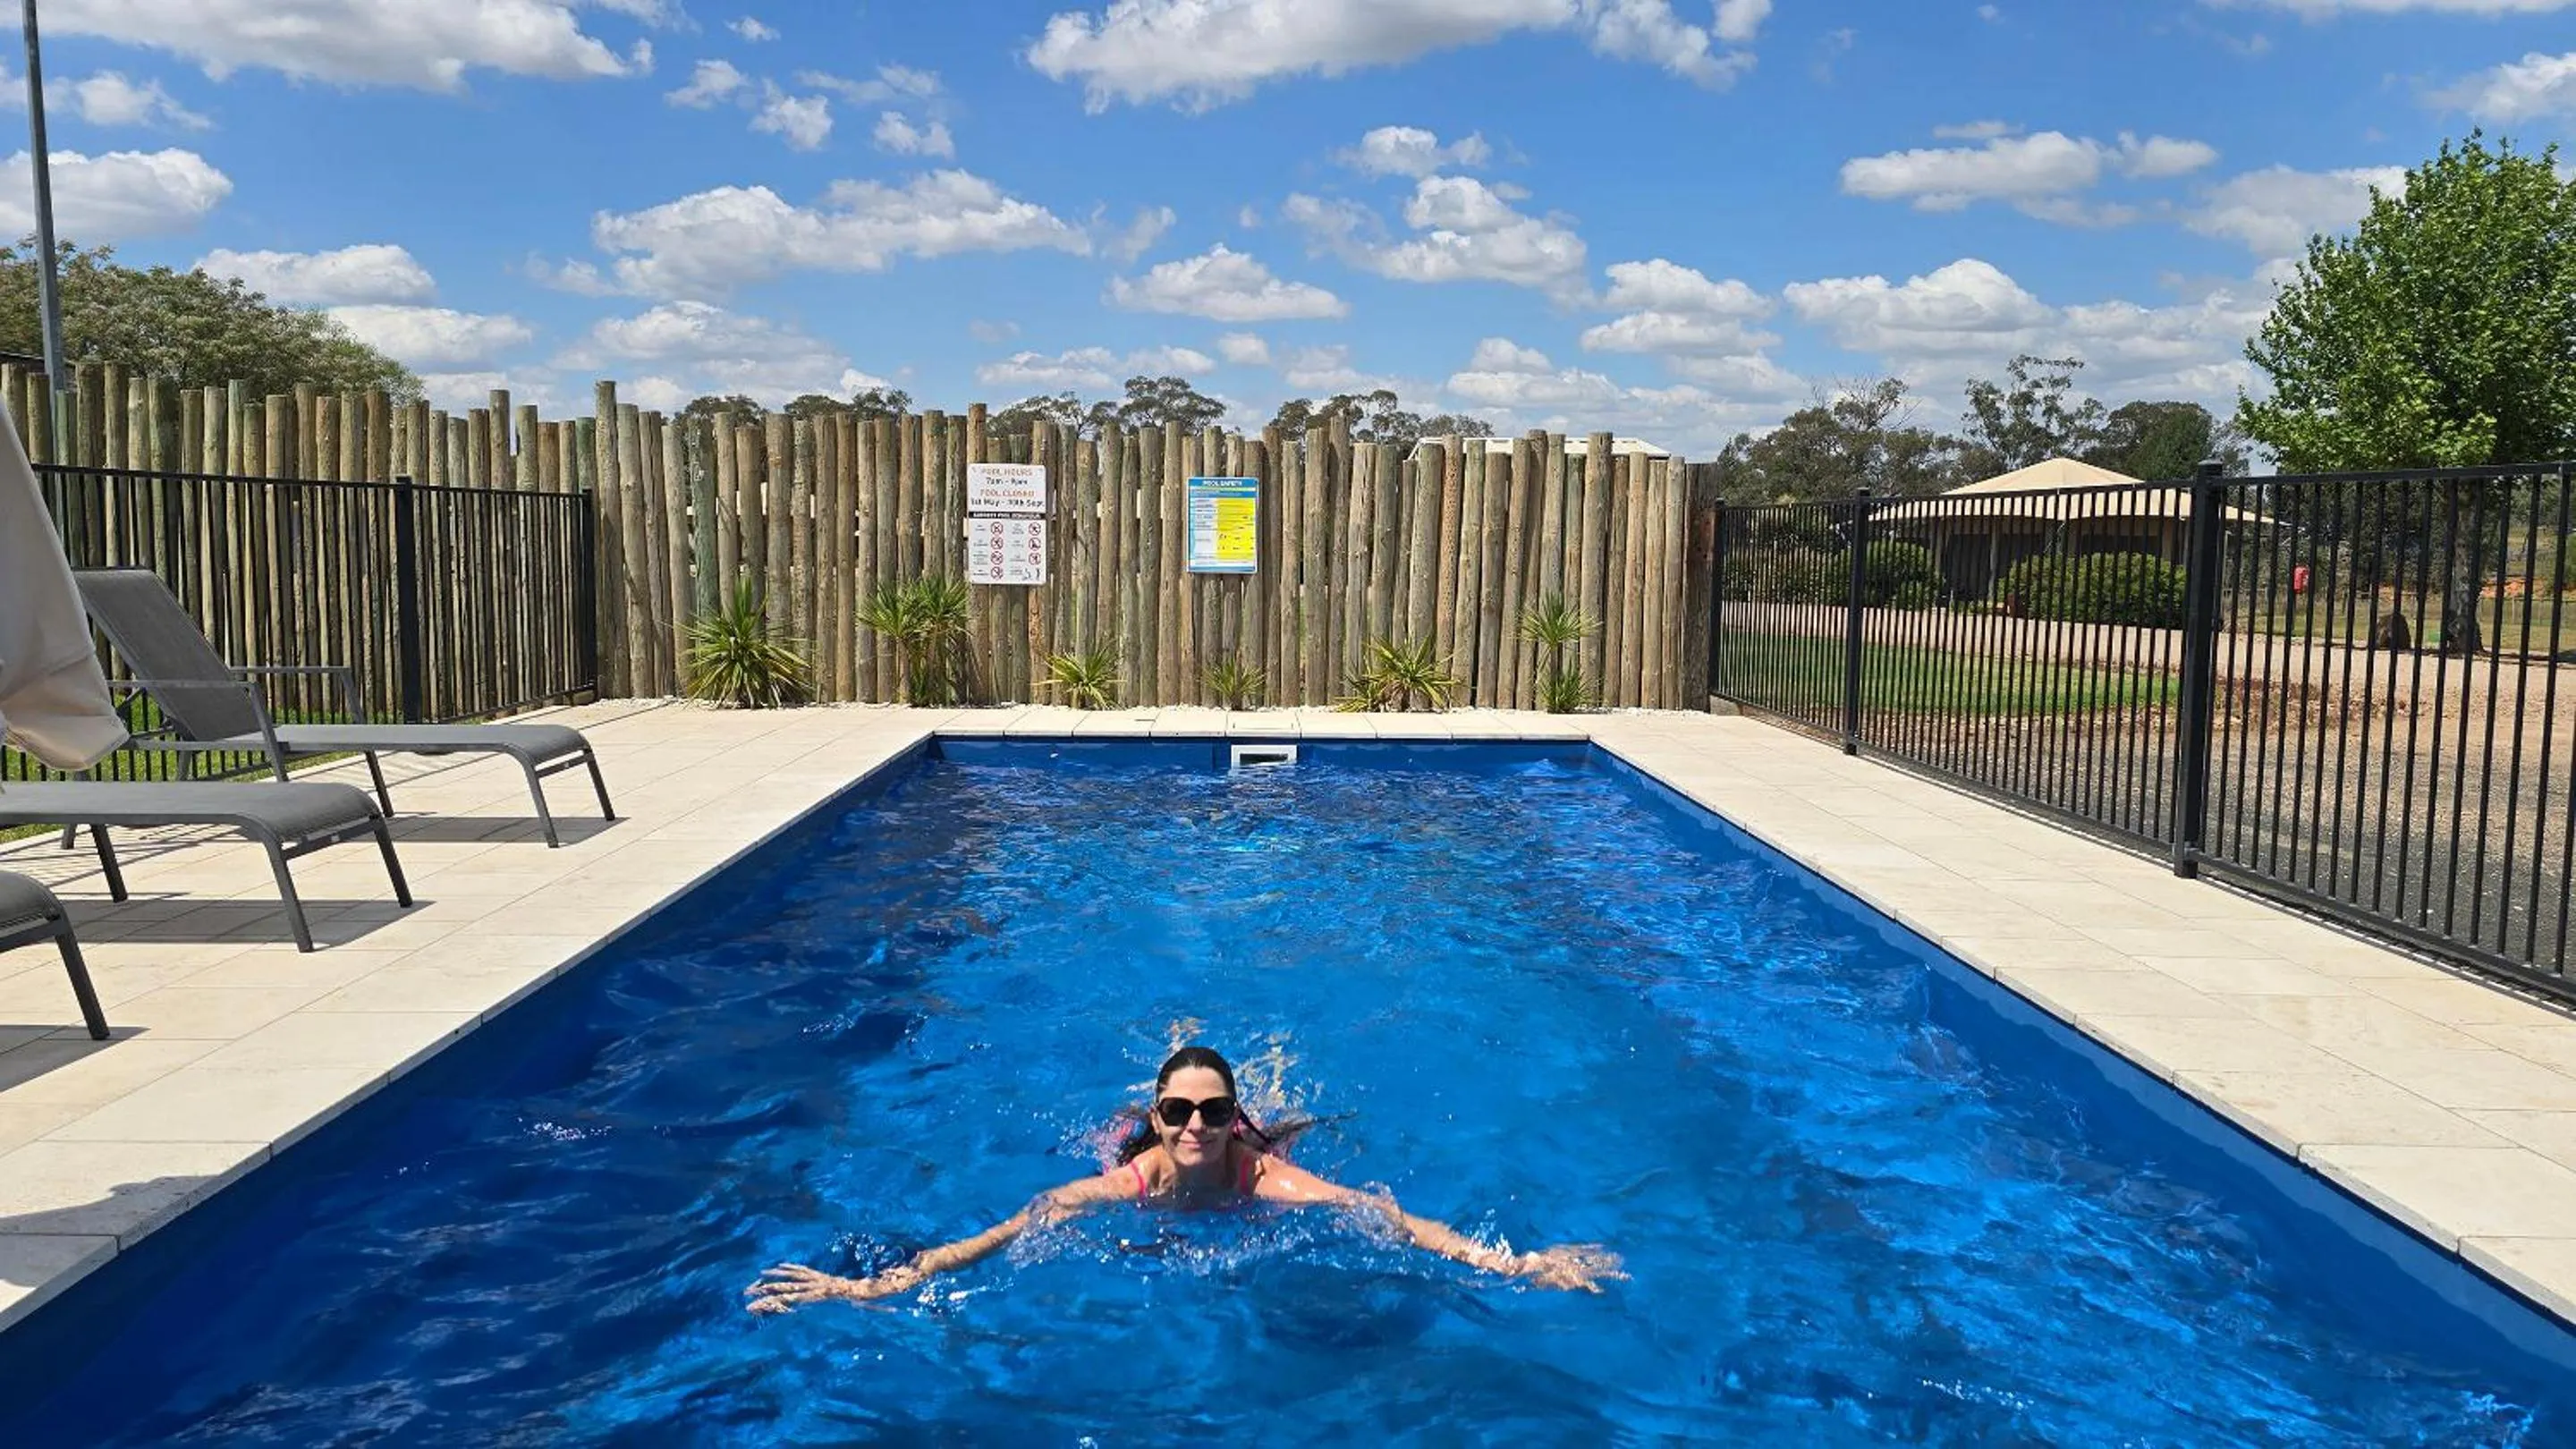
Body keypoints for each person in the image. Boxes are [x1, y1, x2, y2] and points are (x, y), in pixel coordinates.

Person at [746, 1046, 1623, 1312]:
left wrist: (1514, 1267)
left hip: (1256, 1156)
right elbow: (1000, 1237)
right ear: (1160, 1119)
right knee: (1103, 1137)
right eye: (1179, 1112)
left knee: (1289, 1129)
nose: (1195, 1127)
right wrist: (872, 1287)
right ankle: (1175, 1047)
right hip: (1139, 1166)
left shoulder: (1266, 1178)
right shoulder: (1135, 1176)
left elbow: (1394, 1221)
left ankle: (1252, 1079)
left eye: (1211, 1112)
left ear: (1227, 1119)